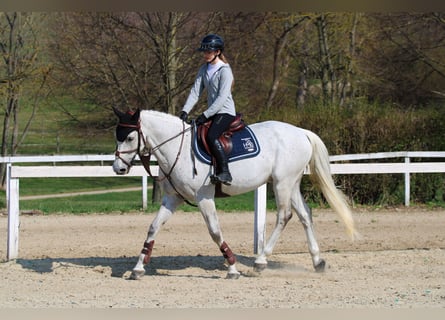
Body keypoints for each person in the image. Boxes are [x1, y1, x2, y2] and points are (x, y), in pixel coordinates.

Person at [179, 34, 236, 185]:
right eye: (204, 52)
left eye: (208, 51)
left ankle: (225, 172)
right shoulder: (204, 69)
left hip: (225, 112)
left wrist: (205, 115)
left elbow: (222, 98)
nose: (205, 54)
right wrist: (185, 111)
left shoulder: (225, 71)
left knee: (211, 136)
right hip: (213, 112)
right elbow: (195, 92)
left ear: (217, 52)